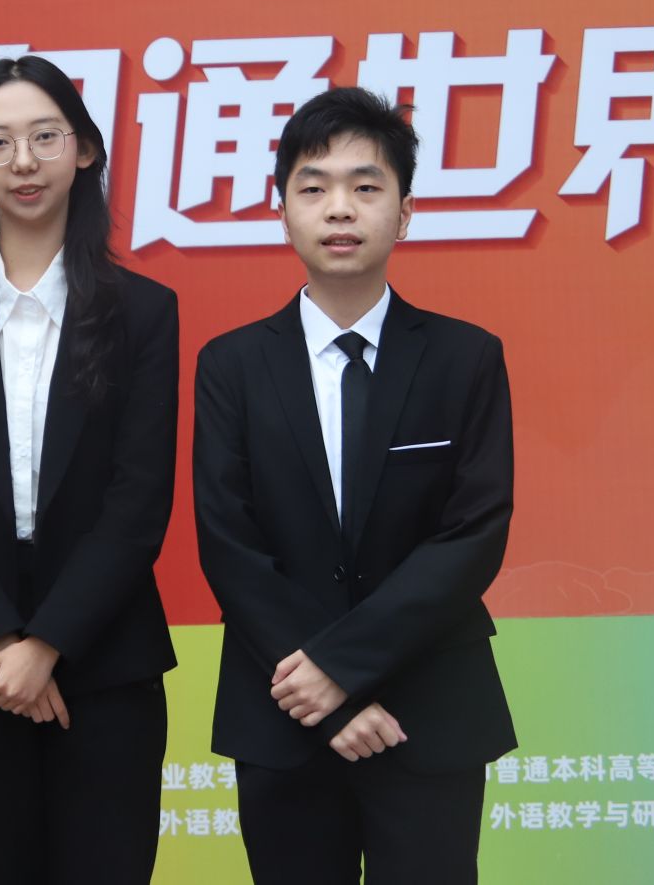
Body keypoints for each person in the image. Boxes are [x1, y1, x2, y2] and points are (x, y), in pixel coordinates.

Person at [193, 86, 517, 885]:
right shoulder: (232, 365)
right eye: (314, 187)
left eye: (366, 186)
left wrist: (341, 667)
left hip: (428, 709)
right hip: (284, 711)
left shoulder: (465, 357)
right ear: (283, 211)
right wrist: (326, 692)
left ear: (404, 214)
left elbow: (472, 534)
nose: (340, 207)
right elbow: (230, 545)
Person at [0, 55, 180, 885]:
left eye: (45, 137)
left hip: (106, 653)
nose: (23, 161)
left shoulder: (142, 310)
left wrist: (48, 642)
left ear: (84, 149)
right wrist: (2, 643)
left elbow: (138, 500)